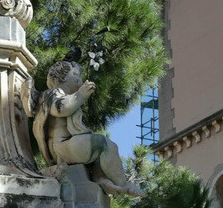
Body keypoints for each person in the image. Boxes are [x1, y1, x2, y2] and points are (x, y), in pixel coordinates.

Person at [28, 58, 143, 197]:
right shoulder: (52, 93)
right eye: (76, 75)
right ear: (62, 77)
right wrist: (80, 94)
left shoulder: (65, 96)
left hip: (67, 146)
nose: (80, 80)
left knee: (98, 158)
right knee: (103, 144)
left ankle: (101, 179)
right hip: (60, 147)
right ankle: (124, 184)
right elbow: (60, 109)